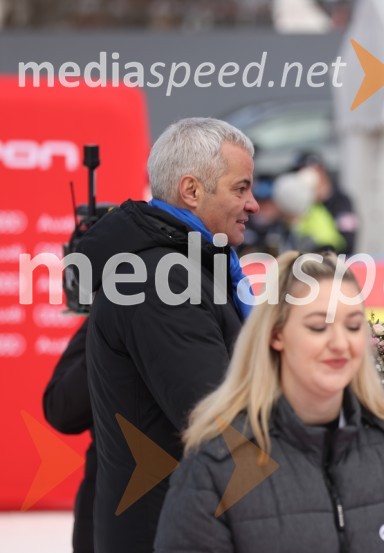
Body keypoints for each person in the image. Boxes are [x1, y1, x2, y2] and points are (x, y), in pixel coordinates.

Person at [153, 252, 384, 553]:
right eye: (318, 327)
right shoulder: (215, 467)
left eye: (352, 326)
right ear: (276, 334)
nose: (340, 343)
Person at [76, 117, 259, 553]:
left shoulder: (189, 266)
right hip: (169, 533)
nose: (253, 204)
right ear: (191, 190)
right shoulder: (161, 280)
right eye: (240, 189)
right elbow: (217, 418)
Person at [42, 319, 95, 553]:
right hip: (106, 503)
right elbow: (61, 410)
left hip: (183, 496)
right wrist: (109, 340)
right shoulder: (111, 316)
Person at [293, 151, 359, 254]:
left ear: (321, 170)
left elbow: (349, 241)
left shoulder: (341, 200)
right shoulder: (300, 202)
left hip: (335, 260)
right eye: (299, 171)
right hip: (306, 260)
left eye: (307, 170)